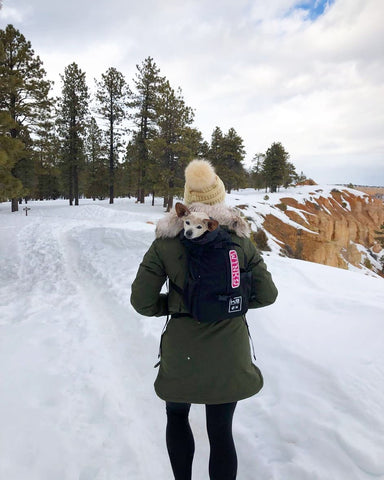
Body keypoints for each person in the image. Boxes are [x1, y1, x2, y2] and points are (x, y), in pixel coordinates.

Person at [131, 159, 278, 480]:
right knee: (221, 432)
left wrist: (174, 307)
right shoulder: (241, 242)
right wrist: (229, 305)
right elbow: (268, 295)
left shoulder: (165, 243)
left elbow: (141, 302)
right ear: (219, 200)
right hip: (230, 352)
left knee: (177, 418)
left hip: (181, 350)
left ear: (188, 199)